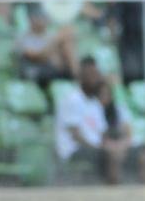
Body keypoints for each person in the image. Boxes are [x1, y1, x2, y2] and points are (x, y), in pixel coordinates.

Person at [54, 57, 131, 185]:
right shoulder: (73, 100)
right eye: (90, 75)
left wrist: (113, 144)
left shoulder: (95, 103)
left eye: (96, 75)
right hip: (74, 150)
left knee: (123, 152)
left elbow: (101, 132)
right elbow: (76, 136)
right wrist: (101, 147)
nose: (94, 79)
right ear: (81, 77)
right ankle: (113, 192)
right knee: (111, 155)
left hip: (96, 148)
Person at [18, 5, 78, 86]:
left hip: (54, 70)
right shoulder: (23, 38)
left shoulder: (50, 35)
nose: (44, 20)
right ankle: (78, 79)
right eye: (40, 17)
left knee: (67, 43)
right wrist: (55, 41)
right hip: (36, 72)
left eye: (44, 17)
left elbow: (57, 55)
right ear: (32, 19)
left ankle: (77, 77)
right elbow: (36, 56)